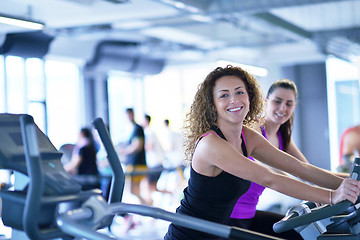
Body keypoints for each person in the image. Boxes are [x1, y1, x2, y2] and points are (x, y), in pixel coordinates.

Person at [164, 65, 360, 240]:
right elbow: (269, 178)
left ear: (249, 96)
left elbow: (300, 168)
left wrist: (353, 185)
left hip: (218, 232)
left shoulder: (246, 136)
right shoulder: (211, 144)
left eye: (240, 92)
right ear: (212, 105)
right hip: (189, 234)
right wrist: (333, 196)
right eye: (224, 95)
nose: (234, 100)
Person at [228, 79, 306, 238]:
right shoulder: (254, 129)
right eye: (277, 101)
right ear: (266, 101)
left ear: (294, 107)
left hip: (249, 212)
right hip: (231, 214)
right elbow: (270, 170)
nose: (283, 108)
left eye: (289, 104)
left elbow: (306, 170)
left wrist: (343, 183)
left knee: (298, 234)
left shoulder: (283, 136)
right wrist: (314, 194)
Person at [118, 108, 149, 205]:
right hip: (133, 164)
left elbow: (137, 146)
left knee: (134, 191)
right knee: (133, 191)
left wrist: (124, 151)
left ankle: (149, 208)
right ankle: (147, 209)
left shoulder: (137, 129)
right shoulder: (132, 130)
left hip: (137, 164)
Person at [142, 114, 166, 204]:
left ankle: (150, 209)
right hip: (157, 163)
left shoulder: (148, 132)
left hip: (155, 164)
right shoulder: (150, 132)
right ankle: (172, 194)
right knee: (153, 188)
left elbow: (150, 146)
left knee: (147, 187)